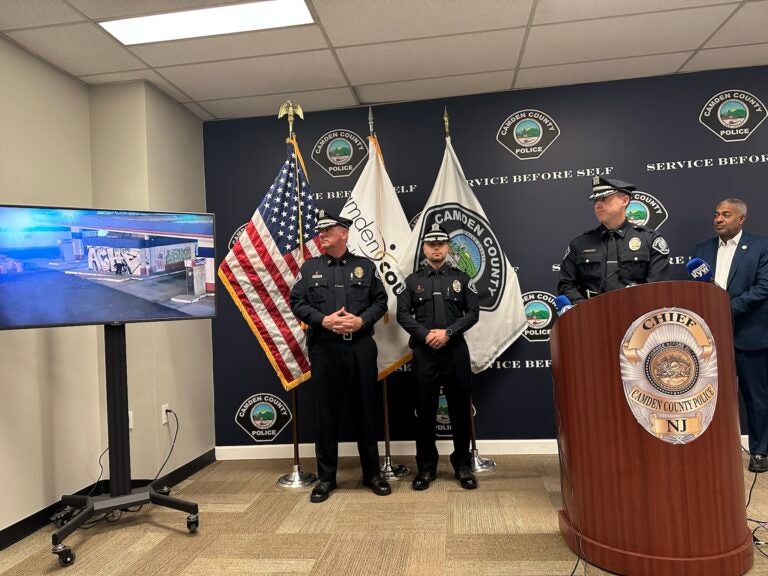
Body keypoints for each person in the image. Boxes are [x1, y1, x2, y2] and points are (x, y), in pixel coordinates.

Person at [290, 209, 391, 502]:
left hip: (360, 346)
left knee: (365, 411)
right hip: (324, 348)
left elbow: (381, 301)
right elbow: (297, 302)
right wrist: (323, 320)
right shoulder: (309, 268)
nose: (321, 234)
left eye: (328, 230)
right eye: (320, 231)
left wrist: (362, 321)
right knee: (325, 414)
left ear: (344, 233)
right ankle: (325, 478)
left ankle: (372, 473)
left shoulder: (365, 266)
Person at [396, 223, 480, 491]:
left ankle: (463, 465)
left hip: (455, 351)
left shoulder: (462, 279)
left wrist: (449, 332)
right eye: (431, 244)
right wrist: (425, 334)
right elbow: (403, 314)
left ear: (447, 247)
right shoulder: (412, 281)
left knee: (459, 410)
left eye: (440, 244)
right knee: (425, 412)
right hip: (424, 353)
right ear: (424, 248)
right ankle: (426, 468)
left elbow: (473, 312)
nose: (436, 248)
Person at [692, 198, 768, 473]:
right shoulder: (701, 250)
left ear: (741, 219)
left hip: (750, 334)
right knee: (707, 396)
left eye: (726, 215)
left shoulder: (761, 247)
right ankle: (711, 448)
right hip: (709, 337)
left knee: (755, 397)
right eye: (716, 214)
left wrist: (724, 309)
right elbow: (693, 291)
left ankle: (760, 451)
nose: (719, 219)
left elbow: (763, 288)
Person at [558, 176, 670, 302]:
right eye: (595, 200)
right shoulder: (579, 245)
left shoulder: (650, 240)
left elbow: (657, 288)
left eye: (604, 199)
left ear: (625, 200)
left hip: (637, 316)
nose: (598, 205)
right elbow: (566, 285)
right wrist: (585, 308)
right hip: (591, 317)